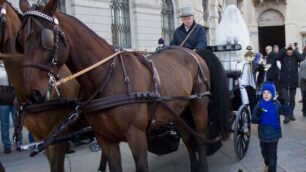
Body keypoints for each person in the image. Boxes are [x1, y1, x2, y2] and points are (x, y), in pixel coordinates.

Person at [251, 82, 282, 172]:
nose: (266, 95)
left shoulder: (277, 104)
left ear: (272, 94)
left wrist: (285, 104)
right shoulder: (259, 105)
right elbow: (253, 120)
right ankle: (266, 163)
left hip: (274, 136)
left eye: (268, 93)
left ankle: (272, 169)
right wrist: (257, 114)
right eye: (264, 92)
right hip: (263, 136)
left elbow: (286, 112)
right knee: (264, 153)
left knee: (272, 157)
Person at [277, 46, 304, 123]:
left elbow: (302, 59)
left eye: (290, 50)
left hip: (293, 81)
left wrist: (295, 50)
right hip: (284, 81)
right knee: (286, 99)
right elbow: (277, 56)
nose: (289, 51)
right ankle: (287, 116)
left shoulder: (295, 56)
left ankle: (291, 114)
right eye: (288, 50)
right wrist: (284, 48)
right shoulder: (283, 56)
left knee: (292, 99)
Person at [0, 60, 16, 153]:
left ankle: (18, 142)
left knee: (17, 123)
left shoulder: (12, 66)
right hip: (3, 101)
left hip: (14, 99)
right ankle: (7, 145)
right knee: (4, 125)